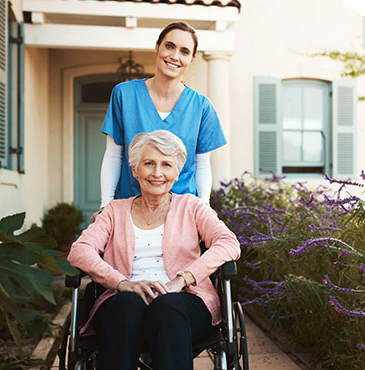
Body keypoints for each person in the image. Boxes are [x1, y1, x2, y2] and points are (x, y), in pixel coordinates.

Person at [68, 130, 241, 370]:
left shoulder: (192, 207)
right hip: (122, 301)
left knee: (167, 308)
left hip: (184, 301)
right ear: (135, 170)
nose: (157, 173)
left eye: (166, 164)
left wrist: (182, 280)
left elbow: (228, 242)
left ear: (177, 172)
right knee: (127, 305)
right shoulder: (114, 212)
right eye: (149, 163)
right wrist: (121, 283)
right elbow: (80, 250)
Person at [97, 21, 225, 221]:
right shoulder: (124, 95)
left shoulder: (202, 107)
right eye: (169, 46)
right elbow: (114, 156)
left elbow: (202, 165)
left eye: (184, 51)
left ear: (191, 59)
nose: (175, 56)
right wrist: (106, 204)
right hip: (130, 210)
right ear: (157, 47)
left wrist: (205, 206)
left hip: (182, 214)